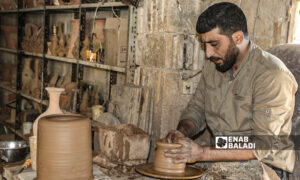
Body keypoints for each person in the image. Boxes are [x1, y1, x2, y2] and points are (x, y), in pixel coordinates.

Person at [165, 2, 298, 179]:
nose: (208, 53)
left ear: (237, 38)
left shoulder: (271, 75)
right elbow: (195, 110)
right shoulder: (214, 67)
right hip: (220, 151)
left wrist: (203, 153)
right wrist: (182, 132)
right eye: (205, 45)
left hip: (264, 164)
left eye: (214, 44)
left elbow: (261, 145)